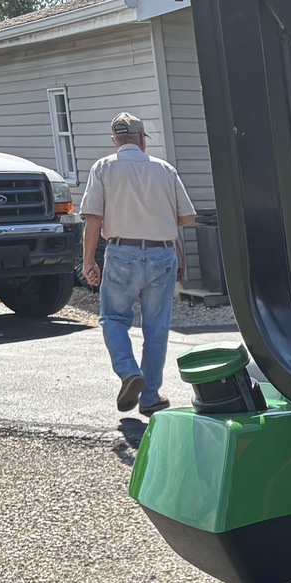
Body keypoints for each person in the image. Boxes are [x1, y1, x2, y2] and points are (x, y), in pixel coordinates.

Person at [78, 112, 197, 415]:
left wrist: (88, 260)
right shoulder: (165, 170)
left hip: (121, 253)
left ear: (115, 141)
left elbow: (93, 219)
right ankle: (150, 397)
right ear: (142, 140)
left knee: (114, 319)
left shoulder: (103, 167)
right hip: (161, 254)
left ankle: (130, 372)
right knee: (156, 329)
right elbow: (186, 218)